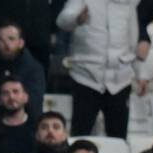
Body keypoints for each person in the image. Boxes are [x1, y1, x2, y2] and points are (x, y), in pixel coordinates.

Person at [56, 0, 147, 139]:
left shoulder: (128, 3)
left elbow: (133, 42)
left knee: (118, 136)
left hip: (120, 80)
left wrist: (141, 73)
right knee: (80, 134)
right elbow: (62, 20)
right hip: (86, 76)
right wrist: (77, 19)